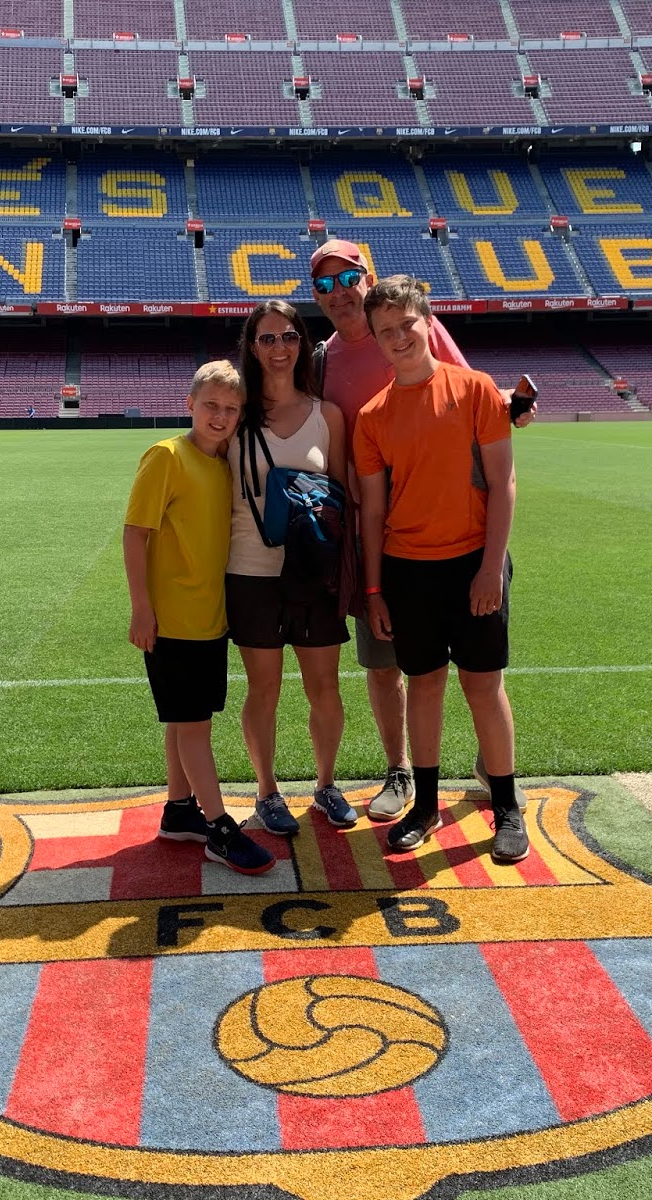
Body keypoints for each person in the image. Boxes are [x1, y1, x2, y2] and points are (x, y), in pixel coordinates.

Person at [352, 276, 526, 863]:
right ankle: (425, 806)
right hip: (407, 571)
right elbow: (372, 510)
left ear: (428, 322)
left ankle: (506, 806)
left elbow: (502, 483)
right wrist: (374, 589)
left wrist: (489, 568)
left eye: (407, 323)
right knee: (424, 685)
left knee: (483, 685)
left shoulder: (475, 390)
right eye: (385, 330)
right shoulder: (373, 416)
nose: (398, 337)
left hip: (474, 561)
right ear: (375, 338)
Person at [123, 360, 274, 875]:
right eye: (211, 405)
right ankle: (219, 828)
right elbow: (135, 533)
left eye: (231, 409)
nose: (220, 416)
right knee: (194, 727)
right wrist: (142, 608)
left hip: (209, 619)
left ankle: (179, 811)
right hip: (172, 622)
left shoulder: (221, 465)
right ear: (189, 404)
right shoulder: (167, 456)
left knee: (184, 719)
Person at [226, 300, 355, 837]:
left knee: (324, 685)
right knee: (264, 688)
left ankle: (326, 785)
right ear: (251, 347)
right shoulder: (235, 414)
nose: (279, 347)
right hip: (250, 569)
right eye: (267, 338)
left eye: (289, 336)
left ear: (303, 342)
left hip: (313, 573)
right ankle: (267, 792)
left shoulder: (328, 416)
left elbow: (342, 497)